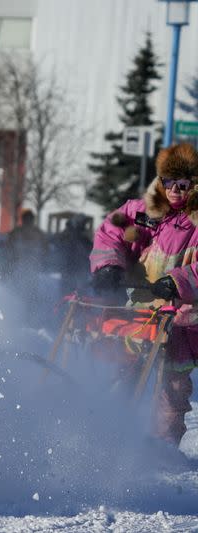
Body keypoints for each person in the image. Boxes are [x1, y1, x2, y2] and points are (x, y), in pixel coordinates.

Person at [90, 142, 198, 450]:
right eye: (169, 182)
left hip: (183, 320)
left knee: (173, 389)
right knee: (123, 370)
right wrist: (108, 265)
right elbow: (111, 231)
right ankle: (107, 434)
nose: (175, 190)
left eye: (182, 184)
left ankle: (163, 447)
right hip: (143, 312)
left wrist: (178, 282)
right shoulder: (143, 212)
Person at [49, 214, 93, 296]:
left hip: (78, 269)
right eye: (83, 224)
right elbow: (56, 243)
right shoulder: (67, 235)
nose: (84, 226)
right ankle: (67, 306)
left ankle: (76, 306)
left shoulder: (82, 238)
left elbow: (89, 250)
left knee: (79, 293)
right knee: (69, 292)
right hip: (69, 268)